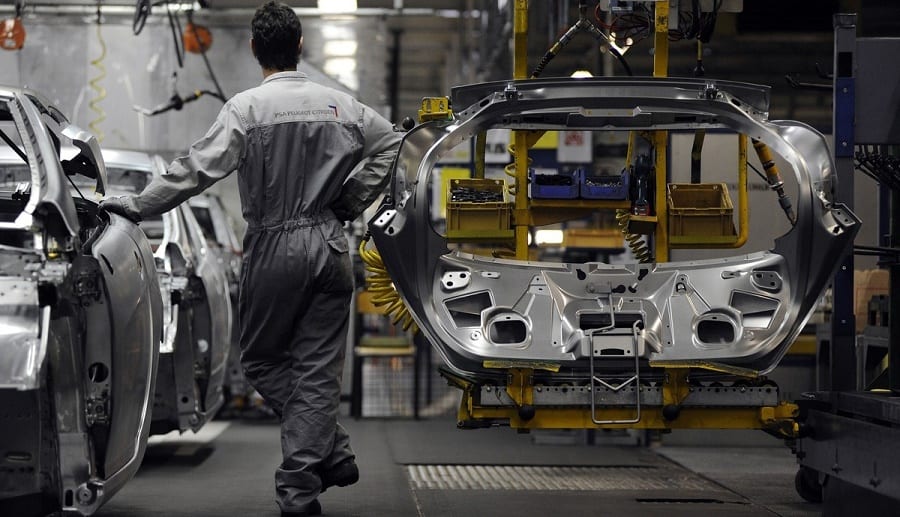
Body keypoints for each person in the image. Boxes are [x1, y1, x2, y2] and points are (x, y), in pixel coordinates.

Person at [101, 3, 401, 515]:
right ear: (301, 46)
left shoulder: (246, 109)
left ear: (254, 49)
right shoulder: (341, 106)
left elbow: (195, 171)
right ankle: (319, 461)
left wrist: (136, 204)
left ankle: (307, 474)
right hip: (330, 247)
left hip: (275, 245)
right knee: (319, 372)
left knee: (261, 361)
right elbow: (394, 142)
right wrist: (350, 203)